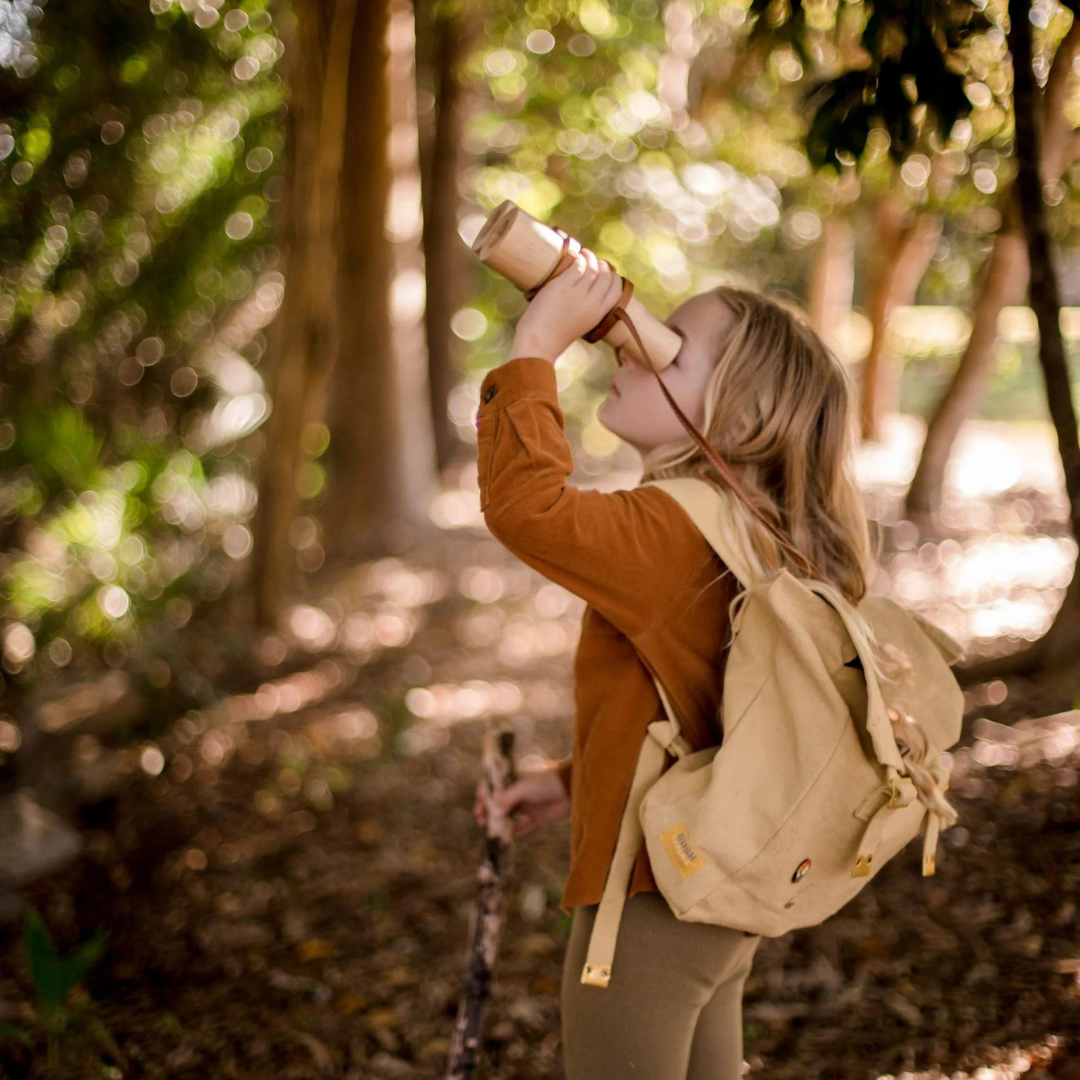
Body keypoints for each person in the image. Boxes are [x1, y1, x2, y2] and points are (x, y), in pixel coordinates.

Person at [472, 247, 876, 1080]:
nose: (628, 346)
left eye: (668, 345)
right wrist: (573, 781)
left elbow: (526, 510)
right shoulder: (744, 524)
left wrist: (535, 346)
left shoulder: (672, 524)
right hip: (710, 895)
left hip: (650, 903)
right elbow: (697, 713)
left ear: (739, 416)